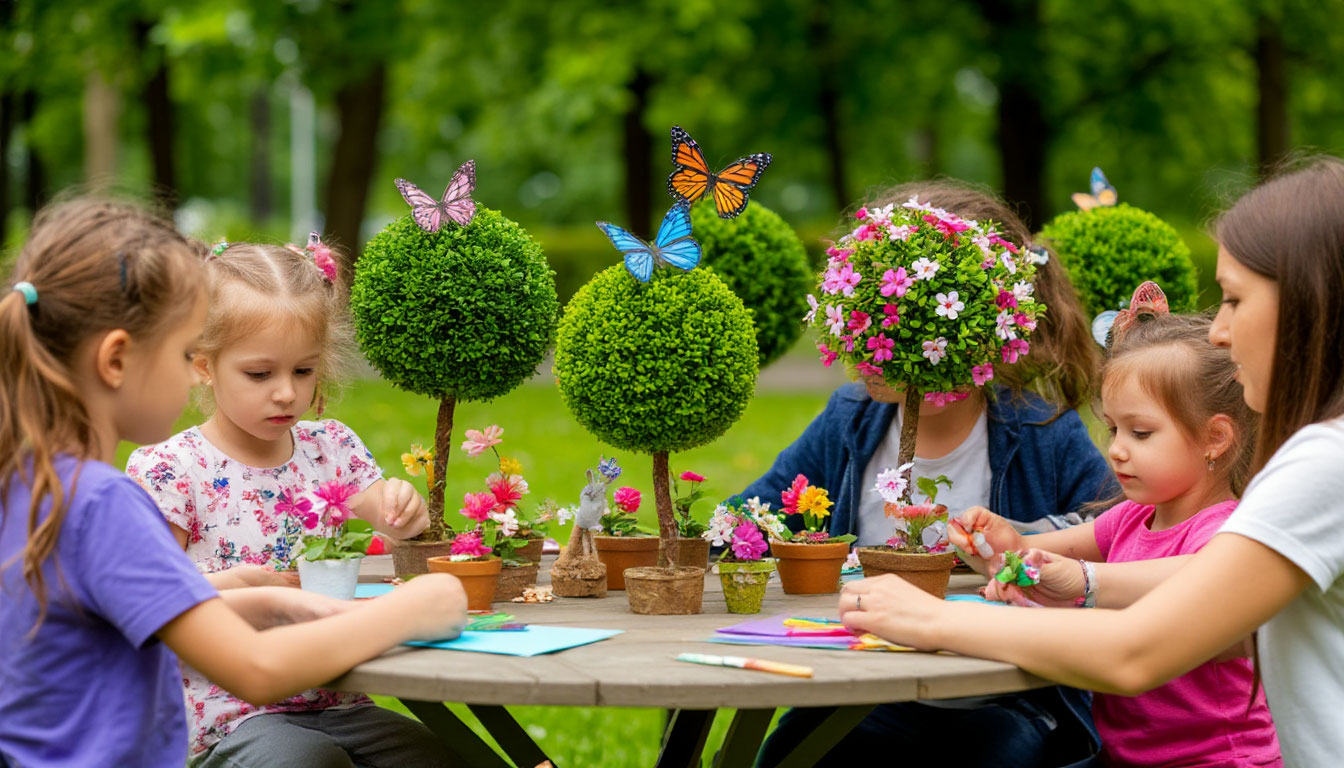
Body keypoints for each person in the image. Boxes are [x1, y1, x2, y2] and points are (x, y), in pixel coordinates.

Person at [839, 156, 1344, 767]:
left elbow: (1136, 652)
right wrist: (1068, 575)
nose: (1219, 331)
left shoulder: (1324, 463)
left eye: (1234, 300)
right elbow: (1213, 601)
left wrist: (928, 619)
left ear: (1309, 305)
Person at [0, 199, 466, 768]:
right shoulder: (102, 503)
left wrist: (263, 595)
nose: (190, 370)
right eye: (181, 352)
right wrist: (417, 606)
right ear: (117, 360)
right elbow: (257, 670)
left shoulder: (35, 489)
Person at [750, 181, 1115, 767]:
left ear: (973, 328)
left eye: (883, 324)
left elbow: (1123, 530)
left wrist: (1021, 542)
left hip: (996, 699)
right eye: (855, 321)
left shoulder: (1040, 428)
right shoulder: (851, 420)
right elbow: (755, 517)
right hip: (857, 694)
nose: (863, 343)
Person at [126, 239, 451, 767]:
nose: (286, 393)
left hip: (339, 693)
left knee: (438, 757)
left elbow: (394, 522)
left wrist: (405, 511)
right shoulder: (171, 469)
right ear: (204, 366)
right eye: (260, 374)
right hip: (227, 708)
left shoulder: (331, 447)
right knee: (309, 761)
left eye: (303, 371)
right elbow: (149, 603)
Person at [952, 312, 1279, 766]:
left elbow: (1189, 581)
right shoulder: (1133, 517)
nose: (1117, 449)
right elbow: (1043, 560)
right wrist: (1000, 544)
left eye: (1140, 433)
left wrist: (1079, 581)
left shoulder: (1224, 532)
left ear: (1215, 437)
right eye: (1113, 429)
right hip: (1125, 757)